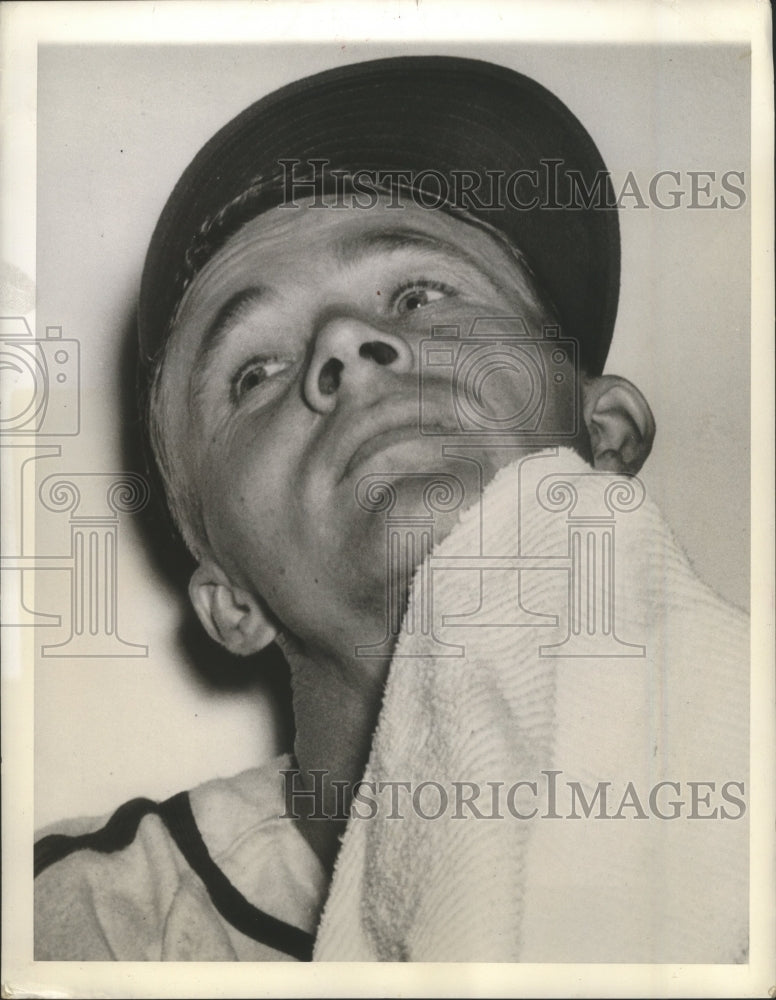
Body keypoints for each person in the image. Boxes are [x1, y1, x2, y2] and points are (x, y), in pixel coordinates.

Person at [33, 56, 748, 963]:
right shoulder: (74, 925)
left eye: (421, 295)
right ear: (231, 601)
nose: (346, 343)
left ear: (602, 438)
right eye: (253, 373)